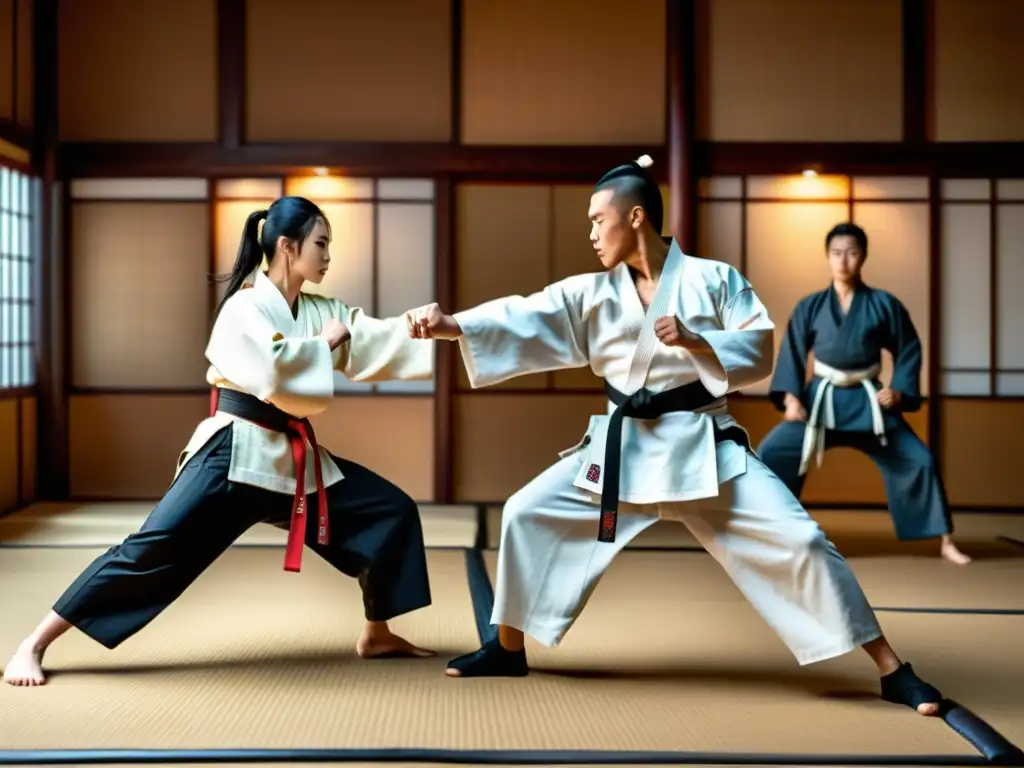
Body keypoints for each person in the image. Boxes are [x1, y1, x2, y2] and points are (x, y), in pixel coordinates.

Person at [404, 157, 944, 716]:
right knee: (525, 511)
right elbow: (526, 315)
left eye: (597, 220)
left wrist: (697, 341)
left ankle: (891, 668)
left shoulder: (715, 279)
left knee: (802, 542)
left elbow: (759, 344)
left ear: (635, 217)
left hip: (704, 447)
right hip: (621, 451)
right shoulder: (590, 291)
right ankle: (508, 647)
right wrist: (455, 326)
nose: (590, 234)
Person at [4, 196, 436, 687]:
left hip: (293, 462)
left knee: (389, 510)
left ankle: (377, 632)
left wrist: (425, 327)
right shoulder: (245, 307)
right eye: (321, 244)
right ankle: (33, 643)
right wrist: (326, 345)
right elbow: (274, 375)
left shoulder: (321, 310)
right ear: (287, 246)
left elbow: (375, 337)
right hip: (233, 454)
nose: (328, 255)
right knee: (148, 550)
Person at [755, 223, 970, 566]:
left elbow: (908, 348)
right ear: (827, 257)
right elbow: (793, 350)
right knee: (770, 453)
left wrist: (898, 392)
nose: (843, 260)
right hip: (820, 402)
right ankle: (768, 534)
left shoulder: (883, 304)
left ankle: (946, 541)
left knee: (920, 461)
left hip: (869, 403)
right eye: (836, 253)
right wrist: (792, 399)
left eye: (852, 252)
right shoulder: (811, 306)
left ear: (863, 257)